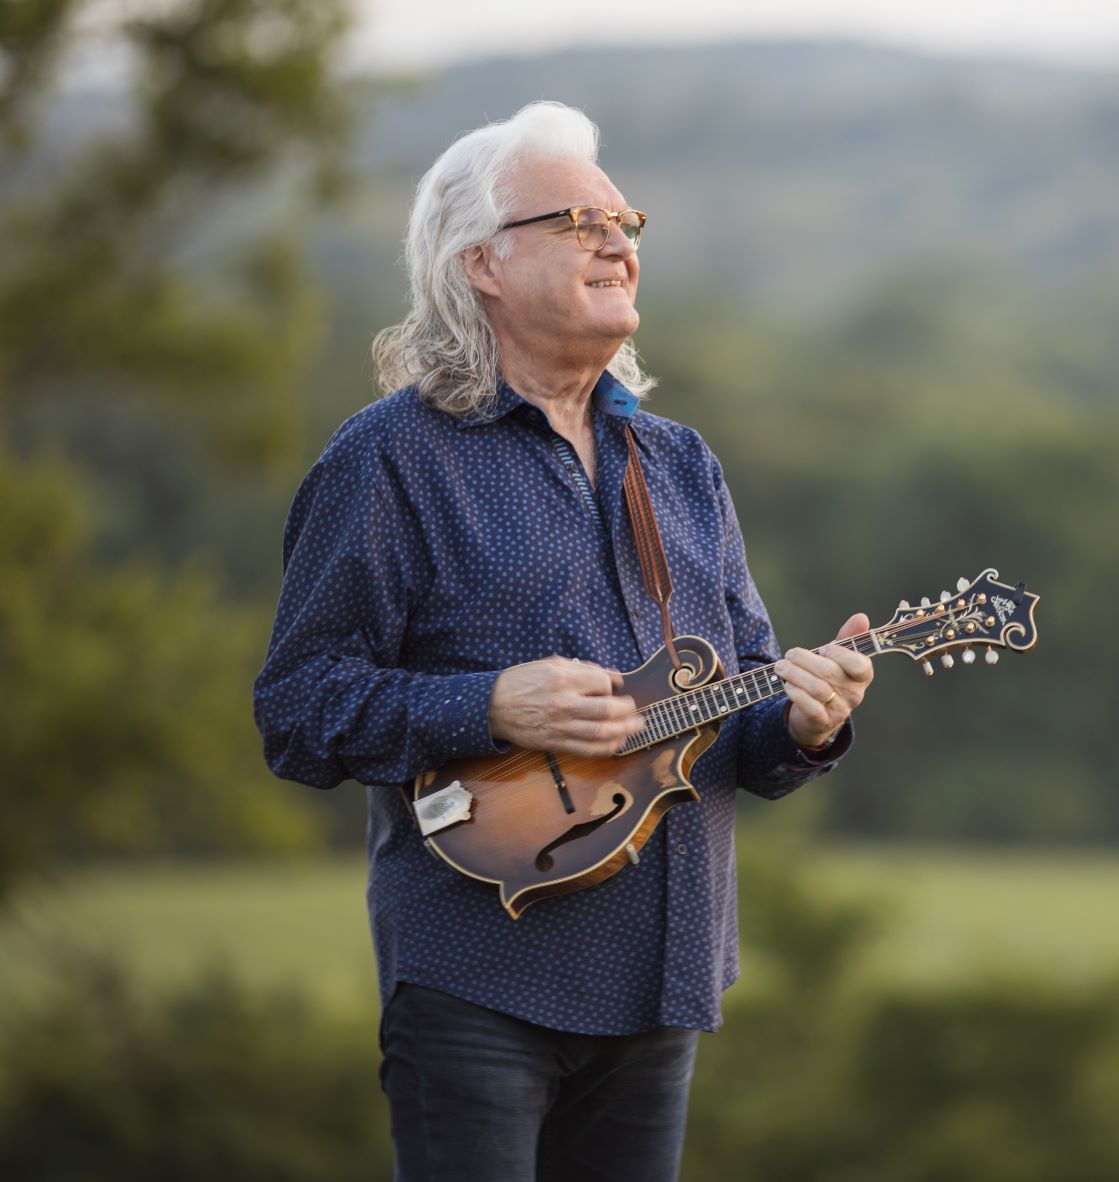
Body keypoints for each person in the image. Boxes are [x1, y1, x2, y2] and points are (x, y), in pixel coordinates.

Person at [252, 101, 874, 1182]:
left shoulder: (680, 465)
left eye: (622, 217)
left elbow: (741, 729)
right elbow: (298, 709)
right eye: (577, 219)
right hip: (477, 976)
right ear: (480, 264)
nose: (617, 240)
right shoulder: (388, 459)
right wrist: (487, 705)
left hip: (664, 979)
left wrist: (808, 724)